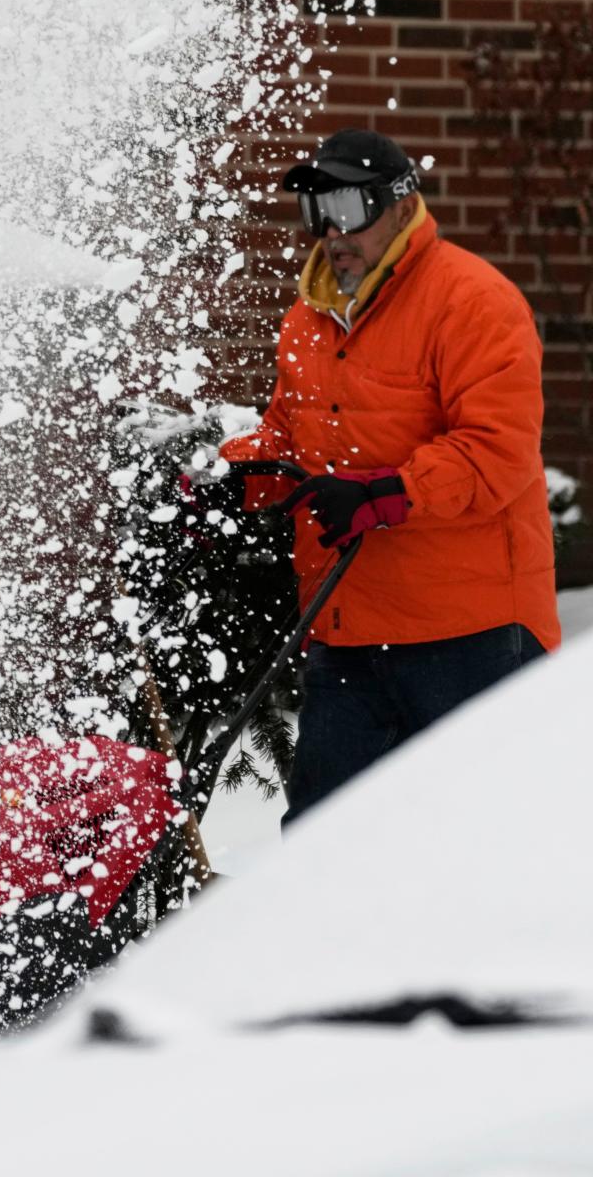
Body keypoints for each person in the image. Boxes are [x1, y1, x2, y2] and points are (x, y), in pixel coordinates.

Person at [219, 128, 560, 824]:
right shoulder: (308, 319)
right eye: (317, 212)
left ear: (402, 208)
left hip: (472, 636)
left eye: (348, 208)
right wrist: (239, 480)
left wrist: (385, 495)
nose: (330, 233)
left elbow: (498, 451)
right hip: (349, 631)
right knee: (321, 842)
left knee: (477, 839)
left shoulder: (471, 302)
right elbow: (291, 438)